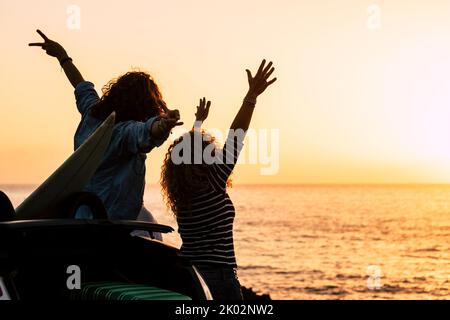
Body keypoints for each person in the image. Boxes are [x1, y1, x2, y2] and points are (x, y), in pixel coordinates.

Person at [29, 30, 182, 231]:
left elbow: (80, 85)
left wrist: (62, 56)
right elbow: (147, 132)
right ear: (145, 106)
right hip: (109, 229)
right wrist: (163, 124)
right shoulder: (124, 133)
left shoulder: (91, 113)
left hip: (79, 217)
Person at [160, 60, 276, 299]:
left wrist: (198, 124)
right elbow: (237, 136)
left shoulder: (182, 192)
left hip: (189, 276)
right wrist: (251, 97)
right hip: (218, 279)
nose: (213, 148)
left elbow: (186, 154)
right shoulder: (213, 180)